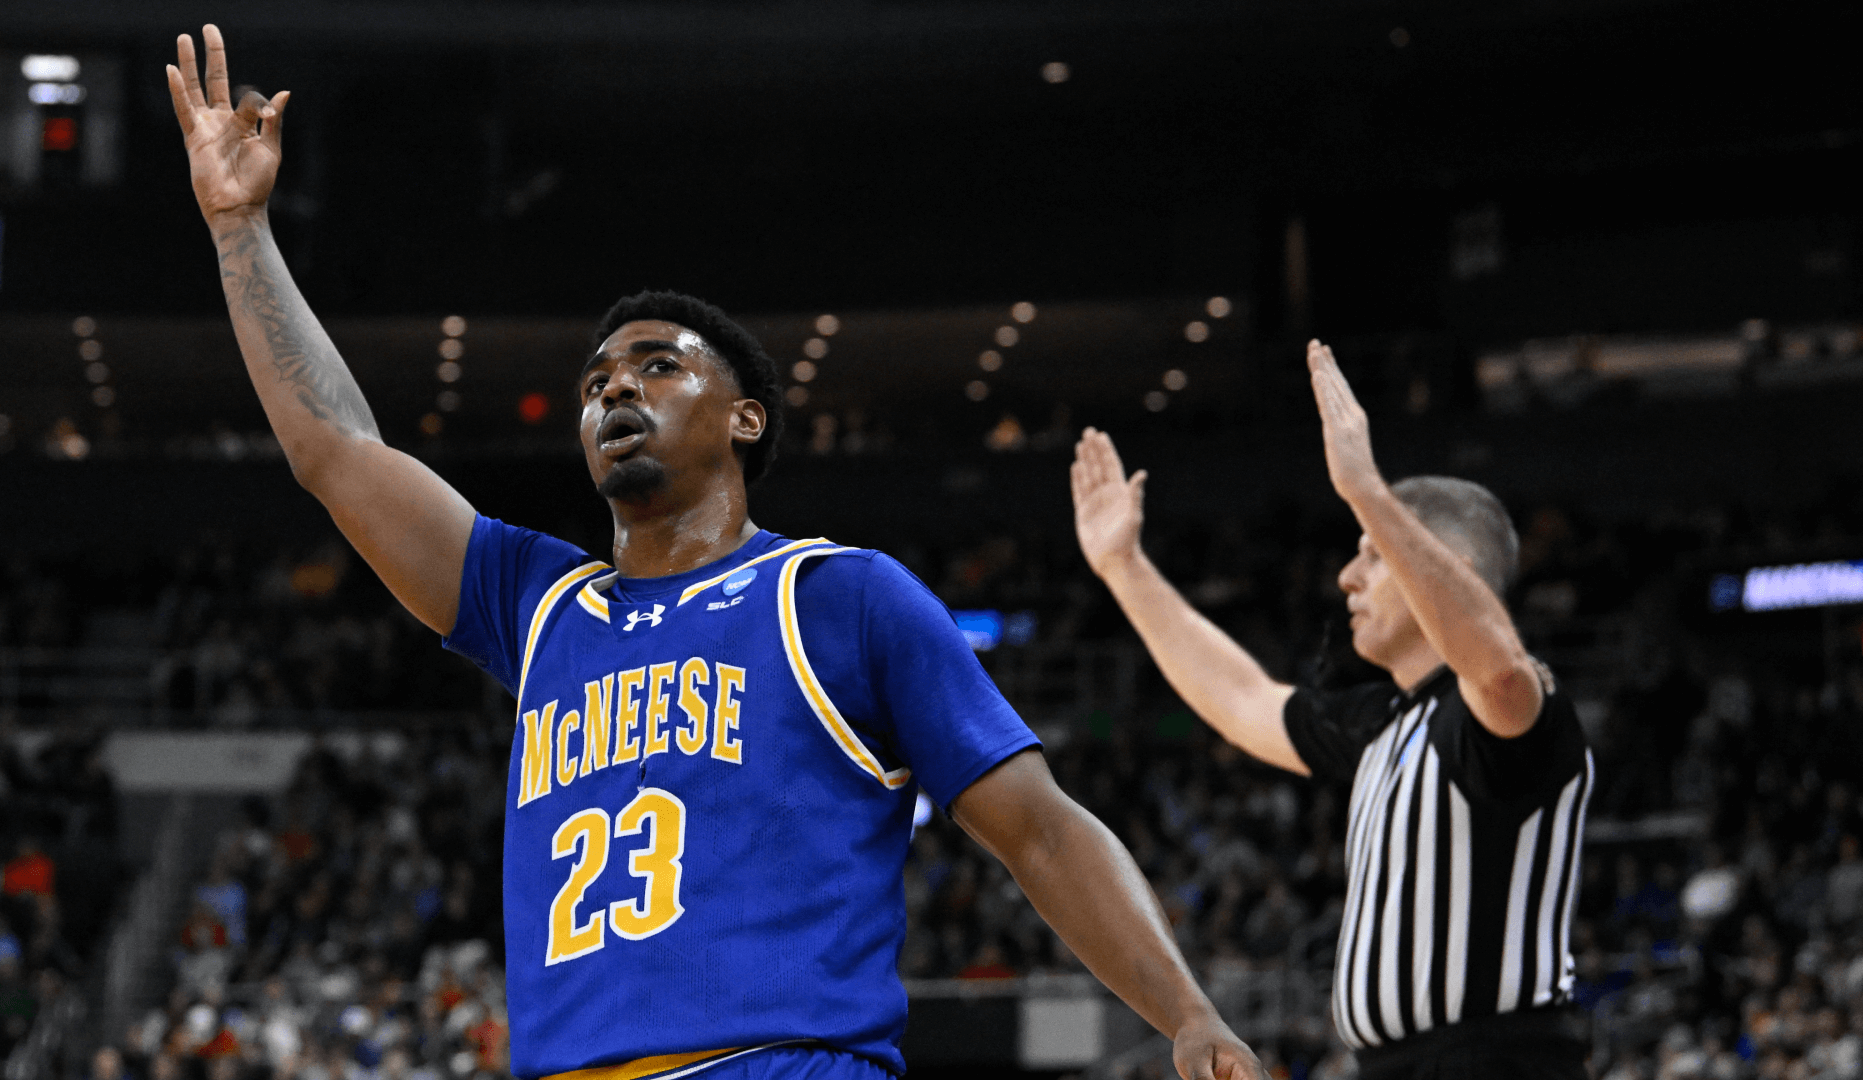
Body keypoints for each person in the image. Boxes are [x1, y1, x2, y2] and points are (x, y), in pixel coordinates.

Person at [165, 26, 1263, 1080]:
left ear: (744, 418)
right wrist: (238, 232)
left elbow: (1042, 831)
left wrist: (1185, 1011)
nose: (615, 393)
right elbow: (335, 448)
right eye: (596, 384)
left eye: (656, 368)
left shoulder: (844, 598)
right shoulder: (537, 602)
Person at [1070, 341, 1594, 1079]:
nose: (1348, 575)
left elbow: (1500, 672)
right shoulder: (1381, 723)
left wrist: (1369, 493)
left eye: (1372, 554)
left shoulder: (1512, 706)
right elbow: (1242, 697)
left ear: (1450, 569)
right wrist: (1125, 568)